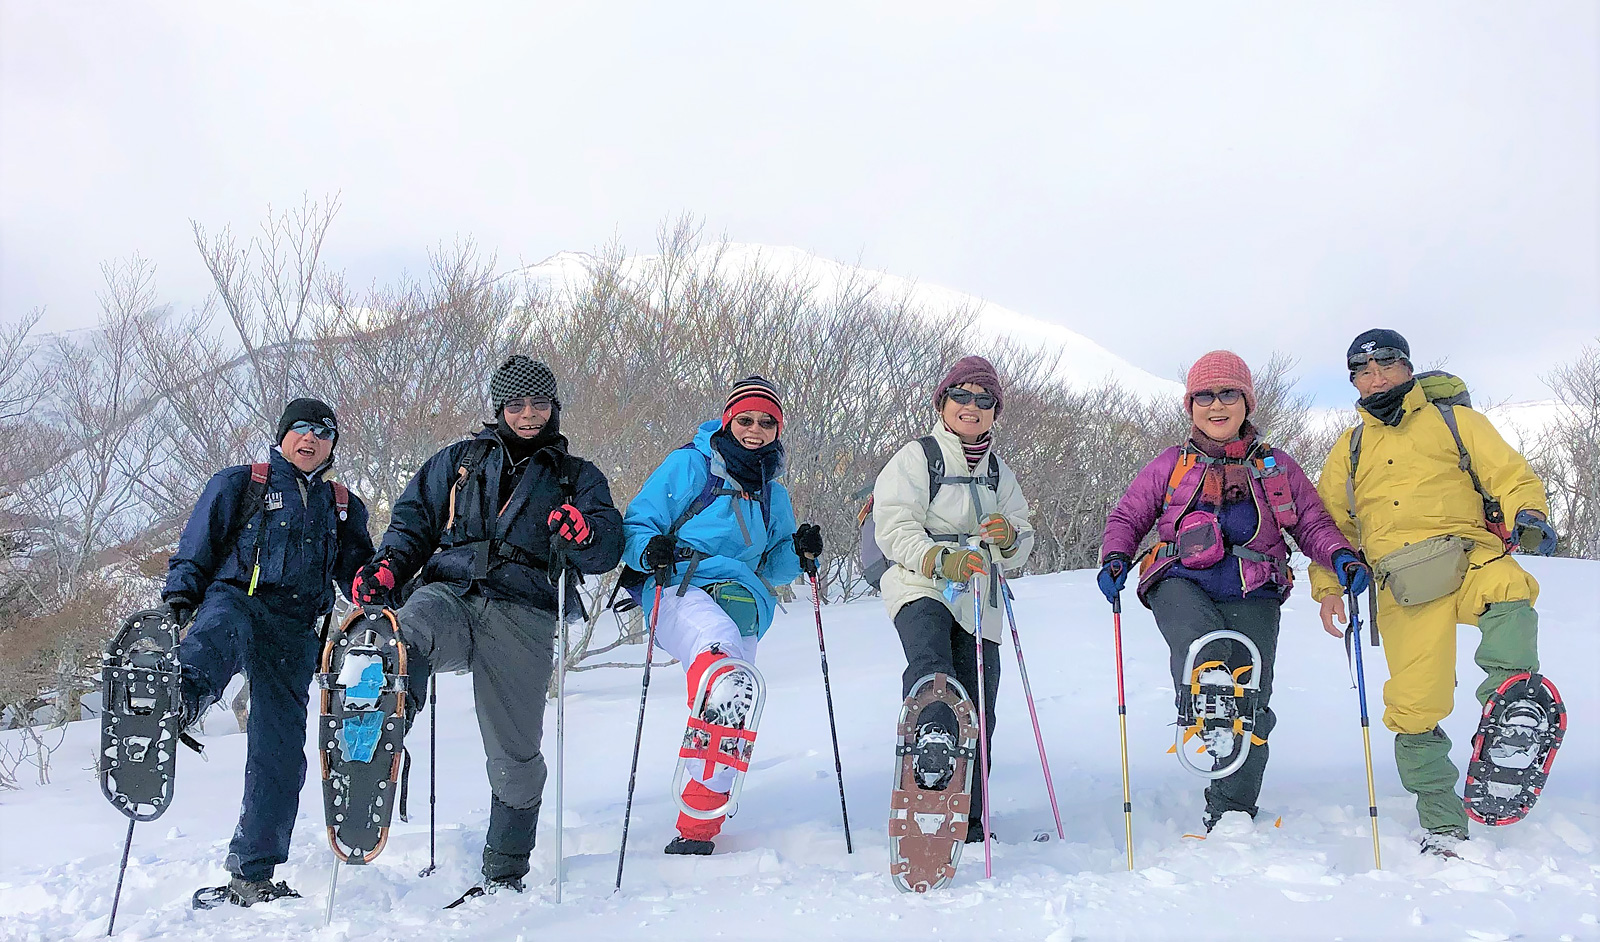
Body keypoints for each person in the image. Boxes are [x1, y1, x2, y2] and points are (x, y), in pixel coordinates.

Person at [351, 356, 624, 895]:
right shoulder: (458, 462)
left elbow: (609, 544)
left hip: (524, 611)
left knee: (514, 753)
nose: (528, 415)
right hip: (449, 591)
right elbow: (412, 523)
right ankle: (377, 733)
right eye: (517, 404)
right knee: (405, 633)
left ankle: (504, 872)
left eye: (539, 404)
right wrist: (387, 568)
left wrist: (583, 533)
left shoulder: (576, 476)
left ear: (553, 408)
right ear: (498, 407)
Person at [1308, 329, 1556, 855]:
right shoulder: (1349, 449)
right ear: (1353, 380)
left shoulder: (1456, 422)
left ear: (1408, 368)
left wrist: (1529, 513)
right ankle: (1442, 818)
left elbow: (1511, 475)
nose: (1376, 378)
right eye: (1363, 371)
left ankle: (1512, 708)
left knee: (1509, 585)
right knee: (1415, 704)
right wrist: (1329, 586)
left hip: (1469, 553)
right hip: (1402, 582)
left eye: (1387, 366)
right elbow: (1331, 527)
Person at [1097, 351, 1363, 832]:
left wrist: (1339, 557)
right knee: (1210, 654)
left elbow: (1313, 523)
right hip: (1178, 580)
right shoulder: (1170, 465)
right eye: (1204, 396)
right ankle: (1203, 703)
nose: (1215, 406)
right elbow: (1129, 515)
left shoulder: (1276, 466)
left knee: (1251, 697)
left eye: (1227, 394)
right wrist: (1115, 556)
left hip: (1254, 588)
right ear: (1190, 405)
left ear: (1246, 402)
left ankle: (1232, 808)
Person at [164, 398, 375, 906]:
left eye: (323, 433)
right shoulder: (242, 483)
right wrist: (177, 599)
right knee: (218, 631)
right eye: (300, 429)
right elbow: (198, 545)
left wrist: (386, 597)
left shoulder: (343, 505)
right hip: (239, 598)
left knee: (279, 753)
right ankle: (180, 697)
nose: (311, 439)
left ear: (332, 446)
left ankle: (252, 872)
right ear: (282, 436)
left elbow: (360, 576)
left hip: (296, 628)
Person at [621, 376, 820, 856]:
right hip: (679, 585)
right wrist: (652, 548)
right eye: (746, 419)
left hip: (743, 603)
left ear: (778, 429)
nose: (755, 429)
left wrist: (799, 551)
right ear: (729, 420)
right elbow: (636, 524)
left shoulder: (775, 494)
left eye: (767, 422)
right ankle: (719, 680)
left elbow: (773, 564)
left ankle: (698, 826)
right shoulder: (690, 465)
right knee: (722, 661)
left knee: (736, 701)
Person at [872, 355, 1034, 842]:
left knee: (981, 700)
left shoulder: (999, 473)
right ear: (942, 403)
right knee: (933, 667)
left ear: (995, 411)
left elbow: (1023, 538)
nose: (972, 406)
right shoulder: (917, 457)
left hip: (979, 597)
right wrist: (939, 559)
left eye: (984, 399)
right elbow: (893, 524)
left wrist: (1007, 537)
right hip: (920, 584)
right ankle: (933, 742)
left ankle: (969, 816)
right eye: (961, 396)